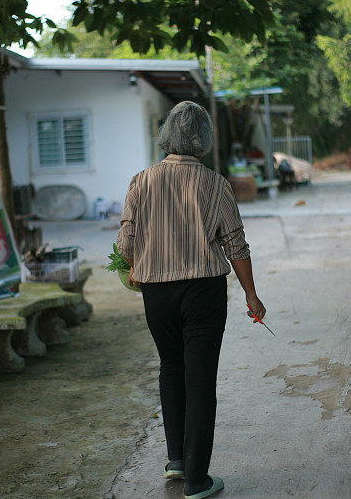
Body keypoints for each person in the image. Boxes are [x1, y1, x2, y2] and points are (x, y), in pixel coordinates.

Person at [117, 101, 265, 499]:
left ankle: (177, 461)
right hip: (203, 293)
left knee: (171, 368)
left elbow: (126, 243)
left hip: (157, 294)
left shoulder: (141, 182)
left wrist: (137, 265)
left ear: (167, 136)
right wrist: (251, 294)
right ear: (203, 139)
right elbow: (236, 245)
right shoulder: (215, 183)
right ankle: (197, 481)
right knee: (200, 382)